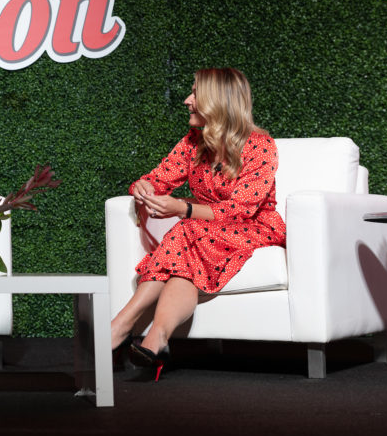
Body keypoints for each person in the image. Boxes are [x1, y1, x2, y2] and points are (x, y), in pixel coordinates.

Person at [109, 67, 286, 380]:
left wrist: (183, 208)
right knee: (187, 253)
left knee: (187, 229)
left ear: (218, 103)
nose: (187, 100)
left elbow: (241, 210)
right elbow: (157, 178)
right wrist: (144, 188)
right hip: (204, 233)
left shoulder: (261, 146)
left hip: (254, 228)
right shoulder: (194, 142)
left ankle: (121, 325)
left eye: (195, 94)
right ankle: (157, 338)